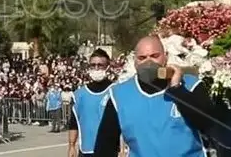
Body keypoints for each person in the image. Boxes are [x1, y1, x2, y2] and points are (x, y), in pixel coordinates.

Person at [92, 36, 222, 157]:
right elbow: (105, 145)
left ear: (165, 57)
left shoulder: (191, 85)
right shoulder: (119, 95)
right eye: (142, 58)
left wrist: (177, 89)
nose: (148, 62)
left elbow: (209, 124)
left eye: (155, 56)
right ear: (135, 62)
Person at [66, 49, 114, 157]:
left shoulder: (116, 91)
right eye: (93, 65)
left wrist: (123, 149)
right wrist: (72, 146)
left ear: (107, 67)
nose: (96, 68)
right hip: (86, 151)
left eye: (100, 65)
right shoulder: (79, 95)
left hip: (110, 151)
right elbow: (74, 123)